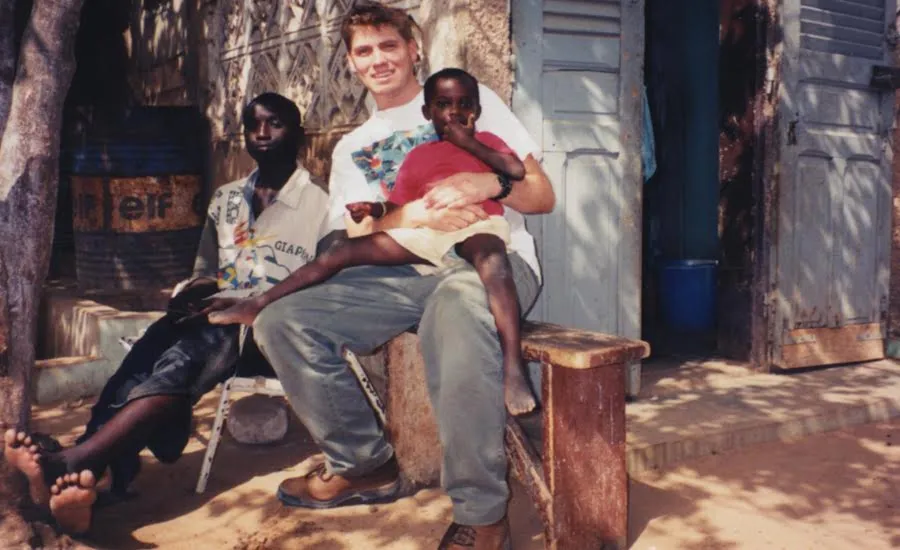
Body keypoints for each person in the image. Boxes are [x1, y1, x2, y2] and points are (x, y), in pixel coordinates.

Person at [242, 3, 555, 549]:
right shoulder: (352, 149)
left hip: (487, 263)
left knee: (456, 312)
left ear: (414, 50)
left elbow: (541, 196)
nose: (378, 59)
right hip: (402, 266)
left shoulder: (466, 101)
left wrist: (487, 187)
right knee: (284, 319)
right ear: (352, 63)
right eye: (365, 51)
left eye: (390, 46)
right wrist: (407, 215)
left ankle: (481, 514)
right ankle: (362, 464)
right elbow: (350, 239)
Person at [2, 92, 329, 534]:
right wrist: (192, 295)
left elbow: (324, 277)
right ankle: (98, 478)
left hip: (272, 327)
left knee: (185, 358)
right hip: (216, 318)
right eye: (254, 125)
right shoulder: (227, 198)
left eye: (276, 124)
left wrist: (257, 305)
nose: (263, 134)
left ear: (300, 135)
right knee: (144, 355)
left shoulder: (322, 204)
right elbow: (205, 270)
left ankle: (75, 461)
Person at [207, 68, 537, 416]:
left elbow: (514, 171)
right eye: (443, 105)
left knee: (493, 261)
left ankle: (513, 366)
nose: (454, 113)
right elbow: (400, 204)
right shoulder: (419, 157)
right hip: (425, 236)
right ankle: (262, 302)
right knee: (342, 252)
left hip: (476, 226)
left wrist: (468, 142)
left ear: (476, 111)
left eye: (464, 105)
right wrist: (376, 207)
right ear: (428, 113)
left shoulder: (487, 142)